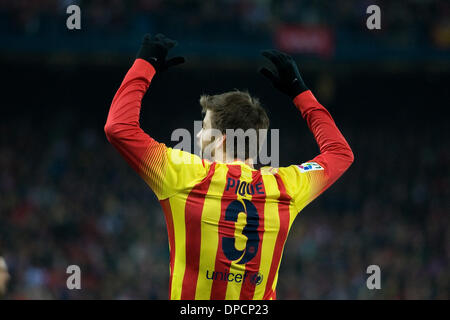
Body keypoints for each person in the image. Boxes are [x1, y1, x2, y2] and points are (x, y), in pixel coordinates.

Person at [104, 33, 354, 300]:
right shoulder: (286, 187)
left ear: (221, 139)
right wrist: (300, 92)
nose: (198, 136)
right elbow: (340, 153)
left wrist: (145, 64)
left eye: (204, 129)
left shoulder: (185, 176)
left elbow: (118, 127)